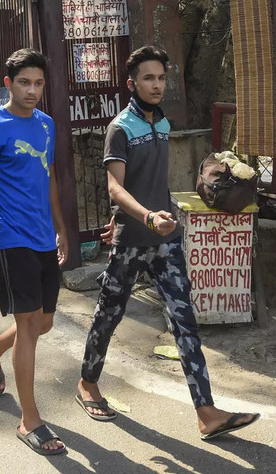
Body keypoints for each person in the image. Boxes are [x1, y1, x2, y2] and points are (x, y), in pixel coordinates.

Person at [76, 46, 260, 441]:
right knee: (109, 313)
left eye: (161, 78)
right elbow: (115, 186)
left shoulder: (162, 125)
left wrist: (153, 217)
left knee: (184, 323)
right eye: (148, 78)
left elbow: (147, 182)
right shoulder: (120, 128)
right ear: (132, 83)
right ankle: (87, 384)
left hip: (166, 240)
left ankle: (206, 412)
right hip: (134, 240)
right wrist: (138, 217)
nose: (156, 85)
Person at [0, 48, 71, 457]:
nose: (32, 91)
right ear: (8, 84)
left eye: (38, 83)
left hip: (43, 235)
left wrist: (61, 228)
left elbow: (46, 179)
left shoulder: (46, 125)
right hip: (9, 239)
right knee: (29, 326)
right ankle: (30, 419)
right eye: (24, 83)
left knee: (44, 323)